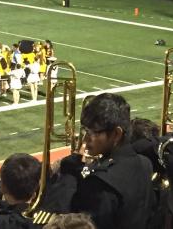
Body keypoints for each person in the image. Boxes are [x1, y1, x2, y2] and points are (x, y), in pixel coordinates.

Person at [45, 93, 155, 229]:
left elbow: (69, 221)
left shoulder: (100, 184)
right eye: (86, 131)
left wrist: (70, 173)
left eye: (93, 133)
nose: (85, 139)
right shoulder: (145, 163)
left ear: (116, 134)